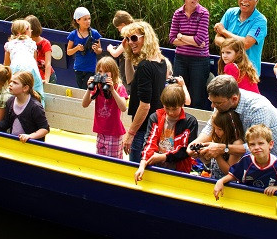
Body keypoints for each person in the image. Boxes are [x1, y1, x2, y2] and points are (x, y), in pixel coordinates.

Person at [195, 74, 277, 168]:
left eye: (217, 103)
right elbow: (211, 126)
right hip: (256, 147)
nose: (213, 106)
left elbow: (256, 145)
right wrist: (195, 145)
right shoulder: (222, 101)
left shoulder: (258, 108)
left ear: (234, 99)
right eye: (212, 101)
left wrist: (222, 149)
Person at [213, 124, 277, 199]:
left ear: (270, 144)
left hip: (268, 203)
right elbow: (234, 174)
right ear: (249, 147)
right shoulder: (246, 160)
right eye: (252, 144)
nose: (257, 147)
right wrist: (220, 181)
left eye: (261, 143)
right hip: (247, 200)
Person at [121, 21, 169, 163]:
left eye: (134, 38)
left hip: (143, 129)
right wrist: (127, 55)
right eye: (128, 39)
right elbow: (130, 80)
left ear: (145, 38)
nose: (130, 42)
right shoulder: (161, 61)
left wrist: (130, 134)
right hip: (155, 126)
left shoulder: (145, 66)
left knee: (136, 167)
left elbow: (145, 105)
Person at [134, 84, 200, 183]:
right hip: (156, 167)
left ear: (182, 104)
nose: (171, 112)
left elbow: (185, 150)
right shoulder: (155, 117)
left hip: (179, 171)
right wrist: (143, 163)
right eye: (167, 108)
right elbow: (149, 142)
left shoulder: (190, 122)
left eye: (174, 109)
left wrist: (164, 157)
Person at [168, 0, 211, 108]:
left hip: (200, 60)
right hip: (181, 58)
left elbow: (199, 39)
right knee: (178, 93)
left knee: (196, 96)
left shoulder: (203, 13)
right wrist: (193, 42)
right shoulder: (178, 13)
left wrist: (181, 37)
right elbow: (171, 39)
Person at [214, 0, 267, 76]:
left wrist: (224, 32)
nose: (244, 0)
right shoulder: (230, 13)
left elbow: (246, 44)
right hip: (226, 71)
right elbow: (217, 39)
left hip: (247, 73)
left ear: (256, 1)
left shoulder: (260, 21)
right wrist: (234, 46)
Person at [82, 56, 129, 158]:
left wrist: (112, 90)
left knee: (113, 163)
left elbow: (123, 107)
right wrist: (89, 88)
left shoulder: (119, 87)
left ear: (113, 73)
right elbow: (84, 104)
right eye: (100, 72)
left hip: (114, 133)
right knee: (100, 161)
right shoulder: (98, 87)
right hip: (100, 132)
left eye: (106, 72)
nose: (102, 75)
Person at [0, 71, 50, 142]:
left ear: (25, 88)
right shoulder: (10, 101)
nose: (10, 84)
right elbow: (6, 122)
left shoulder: (35, 107)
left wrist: (30, 136)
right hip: (14, 143)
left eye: (15, 83)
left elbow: (45, 128)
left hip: (30, 147)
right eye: (11, 81)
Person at [192, 109, 245, 179]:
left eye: (220, 129)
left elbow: (230, 172)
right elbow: (209, 164)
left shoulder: (236, 143)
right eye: (214, 128)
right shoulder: (217, 138)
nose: (216, 131)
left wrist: (217, 155)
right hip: (214, 179)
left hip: (229, 185)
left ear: (229, 128)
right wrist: (201, 154)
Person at [4, 19, 45, 102]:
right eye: (30, 29)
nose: (31, 30)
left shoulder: (9, 44)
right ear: (25, 31)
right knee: (37, 89)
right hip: (30, 67)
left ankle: (10, 105)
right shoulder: (31, 43)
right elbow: (34, 61)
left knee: (12, 89)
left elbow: (6, 65)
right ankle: (40, 105)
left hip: (15, 67)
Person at [67, 7, 103, 89]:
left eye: (89, 19)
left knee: (86, 89)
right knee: (81, 89)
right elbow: (68, 52)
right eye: (85, 19)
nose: (88, 21)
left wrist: (96, 49)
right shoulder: (73, 34)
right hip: (79, 68)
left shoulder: (94, 33)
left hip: (91, 68)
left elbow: (100, 50)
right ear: (77, 20)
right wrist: (77, 48)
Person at [106, 10, 136, 91]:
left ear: (123, 25)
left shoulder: (130, 35)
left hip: (129, 73)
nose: (119, 30)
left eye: (118, 28)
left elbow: (115, 53)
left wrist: (110, 48)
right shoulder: (137, 31)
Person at [25, 15, 53, 84]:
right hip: (32, 77)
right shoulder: (25, 42)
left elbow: (48, 63)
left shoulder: (45, 43)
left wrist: (46, 79)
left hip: (46, 76)